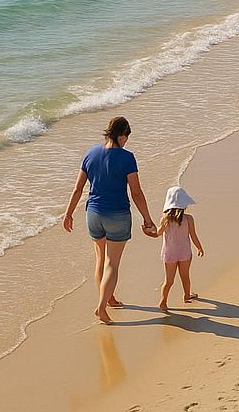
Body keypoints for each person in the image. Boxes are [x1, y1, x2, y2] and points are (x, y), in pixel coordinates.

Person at [63, 116, 157, 324]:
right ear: (122, 135)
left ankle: (109, 297)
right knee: (112, 264)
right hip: (117, 215)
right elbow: (137, 193)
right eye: (126, 138)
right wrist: (147, 219)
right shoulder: (127, 158)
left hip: (93, 214)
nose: (126, 142)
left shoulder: (90, 153)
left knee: (100, 260)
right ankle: (101, 308)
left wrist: (68, 213)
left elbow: (78, 188)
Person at [155, 185, 204, 311]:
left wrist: (148, 230)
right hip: (185, 252)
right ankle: (187, 296)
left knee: (169, 280)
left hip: (169, 253)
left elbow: (158, 233)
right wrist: (199, 247)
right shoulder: (188, 219)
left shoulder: (165, 219)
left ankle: (163, 301)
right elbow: (193, 236)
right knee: (185, 276)